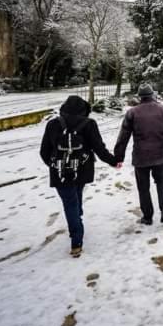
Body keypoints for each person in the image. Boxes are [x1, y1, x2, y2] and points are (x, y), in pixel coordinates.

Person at [39, 96, 120, 257]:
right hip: (81, 170)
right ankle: (76, 240)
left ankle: (75, 226)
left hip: (60, 173)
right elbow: (99, 148)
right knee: (75, 199)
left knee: (70, 203)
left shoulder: (53, 124)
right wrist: (113, 161)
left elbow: (44, 151)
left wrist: (56, 166)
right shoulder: (88, 124)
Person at [114, 84, 163, 225]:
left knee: (143, 188)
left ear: (140, 97)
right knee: (161, 181)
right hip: (160, 155)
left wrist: (118, 156)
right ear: (152, 95)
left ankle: (148, 217)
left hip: (141, 157)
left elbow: (123, 137)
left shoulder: (132, 113)